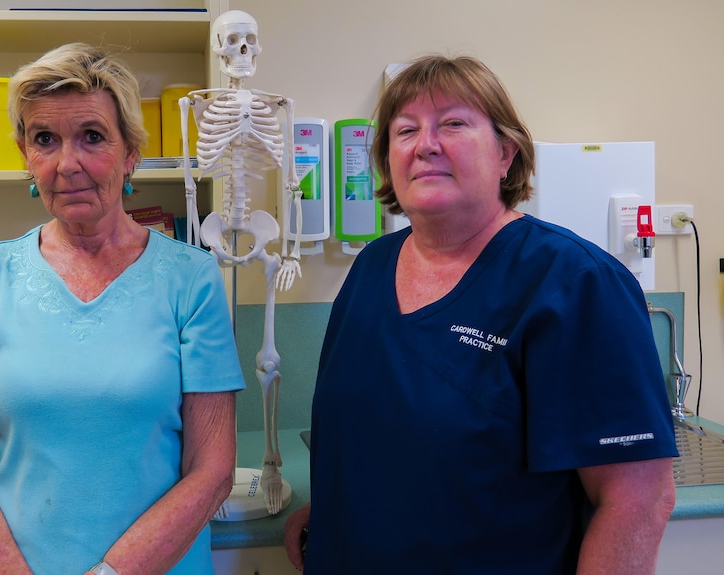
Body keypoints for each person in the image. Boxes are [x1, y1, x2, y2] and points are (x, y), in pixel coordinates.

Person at [284, 55, 677, 574]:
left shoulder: (575, 283)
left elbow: (637, 501)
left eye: (453, 123)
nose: (426, 145)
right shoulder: (372, 268)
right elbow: (381, 440)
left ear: (506, 154)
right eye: (405, 131)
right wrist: (334, 514)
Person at [0, 43, 246, 575]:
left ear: (130, 154)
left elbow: (211, 470)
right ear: (26, 156)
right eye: (44, 139)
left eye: (92, 137)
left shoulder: (191, 279)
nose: (66, 163)